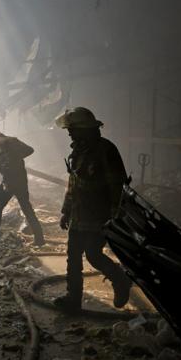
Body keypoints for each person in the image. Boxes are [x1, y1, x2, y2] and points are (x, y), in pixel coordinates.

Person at [52, 107, 132, 311]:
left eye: (73, 129)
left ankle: (120, 280)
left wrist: (115, 216)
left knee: (93, 255)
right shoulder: (78, 151)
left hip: (99, 215)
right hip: (79, 214)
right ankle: (73, 300)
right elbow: (73, 183)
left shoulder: (106, 150)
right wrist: (65, 210)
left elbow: (118, 185)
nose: (69, 133)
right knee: (73, 255)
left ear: (85, 129)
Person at [0, 128, 45, 245]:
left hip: (11, 180)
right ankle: (39, 239)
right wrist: (17, 159)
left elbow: (6, 165)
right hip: (21, 179)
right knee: (27, 208)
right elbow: (29, 150)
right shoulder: (11, 140)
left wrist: (6, 181)